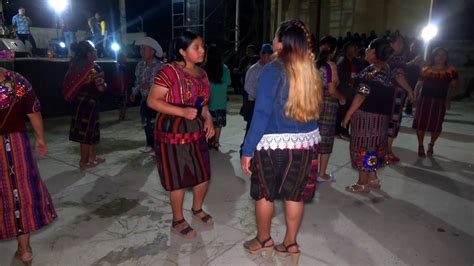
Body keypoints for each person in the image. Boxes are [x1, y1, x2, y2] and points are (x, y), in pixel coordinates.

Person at [241, 19, 322, 264]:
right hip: (306, 144)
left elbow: (262, 113)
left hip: (273, 145)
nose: (274, 39)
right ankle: (290, 243)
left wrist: (248, 148)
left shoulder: (274, 70)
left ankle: (263, 240)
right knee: (294, 196)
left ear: (282, 41)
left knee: (264, 195)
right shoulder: (310, 70)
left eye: (276, 35)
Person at [147, 30, 215, 238]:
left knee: (202, 173)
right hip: (172, 129)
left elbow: (200, 104)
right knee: (177, 176)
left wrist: (208, 118)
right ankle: (177, 218)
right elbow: (152, 101)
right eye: (196, 47)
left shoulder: (202, 74)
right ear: (182, 51)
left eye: (202, 46)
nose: (202, 50)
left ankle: (196, 208)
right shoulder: (168, 71)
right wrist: (182, 111)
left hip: (195, 129)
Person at [0, 68, 57, 264]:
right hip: (16, 145)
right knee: (20, 191)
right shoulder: (17, 81)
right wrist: (40, 138)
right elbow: (33, 111)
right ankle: (24, 250)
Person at [342, 38, 397, 193]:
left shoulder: (370, 71)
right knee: (372, 149)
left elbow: (361, 94)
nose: (365, 50)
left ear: (373, 52)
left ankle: (362, 182)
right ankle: (373, 178)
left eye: (367, 48)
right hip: (381, 118)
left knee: (363, 148)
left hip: (366, 118)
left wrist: (348, 114)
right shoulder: (387, 69)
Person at [63, 40, 107, 169]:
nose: (96, 51)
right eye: (94, 50)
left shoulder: (74, 66)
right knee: (87, 134)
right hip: (89, 105)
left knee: (88, 132)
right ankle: (84, 161)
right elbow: (101, 88)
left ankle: (92, 157)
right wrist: (105, 85)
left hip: (78, 103)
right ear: (88, 54)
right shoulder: (94, 68)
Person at [412, 48, 458, 157]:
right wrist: (414, 98)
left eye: (443, 55)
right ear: (433, 57)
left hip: (440, 101)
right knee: (421, 124)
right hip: (424, 100)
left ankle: (431, 144)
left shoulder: (451, 71)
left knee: (437, 125)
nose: (440, 57)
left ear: (446, 57)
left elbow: (453, 86)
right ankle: (420, 145)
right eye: (438, 55)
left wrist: (448, 99)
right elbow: (418, 85)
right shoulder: (426, 69)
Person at [316, 36, 345, 182]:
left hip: (314, 104)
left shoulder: (314, 64)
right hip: (327, 105)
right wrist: (341, 97)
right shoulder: (330, 66)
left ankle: (312, 171)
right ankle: (322, 174)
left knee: (314, 137)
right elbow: (332, 90)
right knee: (326, 138)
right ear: (333, 51)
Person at [129, 37, 163, 153]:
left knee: (157, 124)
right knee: (146, 123)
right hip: (145, 99)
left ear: (152, 51)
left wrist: (150, 86)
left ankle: (158, 147)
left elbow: (165, 85)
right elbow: (137, 81)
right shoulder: (140, 65)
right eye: (141, 49)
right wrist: (134, 93)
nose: (141, 51)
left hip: (158, 100)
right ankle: (150, 145)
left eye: (144, 49)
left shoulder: (160, 66)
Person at [239, 43, 273, 154]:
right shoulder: (254, 69)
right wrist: (259, 97)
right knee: (252, 128)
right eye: (265, 54)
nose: (268, 57)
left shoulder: (273, 69)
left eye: (270, 55)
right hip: (255, 103)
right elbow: (247, 86)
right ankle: (245, 150)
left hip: (269, 104)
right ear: (261, 55)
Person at [386, 34, 415, 163]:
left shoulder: (386, 58)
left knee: (388, 122)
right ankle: (387, 151)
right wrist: (410, 90)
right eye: (399, 43)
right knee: (392, 122)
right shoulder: (393, 59)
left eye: (402, 43)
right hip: (394, 96)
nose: (401, 45)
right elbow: (399, 76)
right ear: (390, 44)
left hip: (388, 95)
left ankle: (385, 150)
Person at [203, 44, 231, 150]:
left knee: (208, 121)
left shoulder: (203, 69)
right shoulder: (225, 68)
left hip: (208, 100)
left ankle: (209, 140)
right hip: (220, 100)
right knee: (218, 123)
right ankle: (216, 141)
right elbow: (228, 82)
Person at [336, 41, 364, 139]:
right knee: (341, 112)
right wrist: (342, 93)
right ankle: (339, 131)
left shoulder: (355, 61)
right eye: (353, 49)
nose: (356, 51)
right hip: (345, 91)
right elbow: (341, 79)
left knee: (348, 111)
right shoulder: (342, 62)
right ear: (347, 50)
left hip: (351, 91)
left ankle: (343, 131)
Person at [111, 53, 132, 120]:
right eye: (124, 57)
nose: (125, 59)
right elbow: (114, 78)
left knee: (123, 102)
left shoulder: (124, 67)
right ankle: (121, 115)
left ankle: (122, 115)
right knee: (120, 102)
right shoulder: (116, 66)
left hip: (123, 87)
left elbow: (126, 78)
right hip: (118, 87)